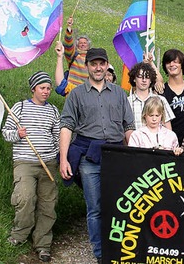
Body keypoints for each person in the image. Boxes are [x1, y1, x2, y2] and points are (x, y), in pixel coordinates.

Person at [58, 47, 135, 263]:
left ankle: (120, 246)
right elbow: (66, 126)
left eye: (102, 63)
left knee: (120, 204)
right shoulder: (76, 94)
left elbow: (128, 126)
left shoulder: (120, 93)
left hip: (116, 155)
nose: (98, 67)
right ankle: (101, 253)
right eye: (94, 64)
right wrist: (63, 159)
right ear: (87, 66)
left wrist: (134, 156)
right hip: (89, 156)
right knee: (95, 207)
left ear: (107, 65)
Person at [1, 71, 60, 262]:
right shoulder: (19, 108)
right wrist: (17, 134)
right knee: (25, 197)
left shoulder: (52, 111)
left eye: (49, 88)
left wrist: (57, 153)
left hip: (48, 163)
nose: (46, 92)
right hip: (25, 162)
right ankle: (19, 234)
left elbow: (57, 136)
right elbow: (6, 132)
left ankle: (43, 244)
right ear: (33, 88)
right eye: (42, 88)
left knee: (48, 204)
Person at [161, 49, 184, 145]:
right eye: (168, 62)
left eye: (175, 62)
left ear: (182, 65)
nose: (171, 65)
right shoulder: (161, 90)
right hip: (170, 143)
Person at [127, 61, 174, 130]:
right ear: (134, 79)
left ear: (151, 80)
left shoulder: (161, 100)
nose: (144, 80)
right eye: (140, 77)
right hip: (135, 140)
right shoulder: (127, 102)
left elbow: (168, 128)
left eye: (147, 77)